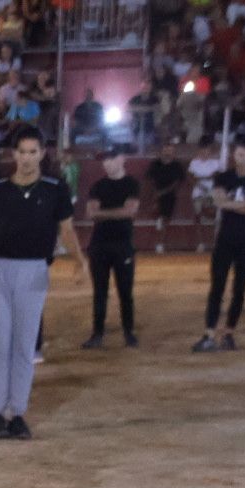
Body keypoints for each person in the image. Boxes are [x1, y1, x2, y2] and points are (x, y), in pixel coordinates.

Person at [0, 126, 87, 441]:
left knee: (24, 345)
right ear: (13, 154)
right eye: (22, 152)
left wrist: (80, 259)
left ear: (42, 154)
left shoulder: (55, 189)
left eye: (33, 152)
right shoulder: (0, 189)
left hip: (34, 270)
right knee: (1, 344)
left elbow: (67, 231)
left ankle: (18, 412)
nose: (27, 158)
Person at [192, 134, 245, 353]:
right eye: (239, 154)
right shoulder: (224, 177)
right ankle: (209, 334)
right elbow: (220, 202)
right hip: (227, 239)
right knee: (217, 287)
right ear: (234, 155)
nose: (243, 158)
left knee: (239, 289)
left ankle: (227, 333)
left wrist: (232, 204)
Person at [83, 148, 141, 349]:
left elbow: (130, 211)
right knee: (101, 291)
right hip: (102, 245)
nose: (106, 163)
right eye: (104, 160)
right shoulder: (99, 185)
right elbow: (92, 213)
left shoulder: (130, 184)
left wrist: (103, 212)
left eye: (110, 159)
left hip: (120, 244)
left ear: (121, 159)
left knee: (124, 291)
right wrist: (119, 212)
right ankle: (98, 333)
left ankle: (128, 331)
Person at [145, 141, 186, 254]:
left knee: (165, 219)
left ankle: (160, 243)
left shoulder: (177, 165)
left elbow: (177, 183)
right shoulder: (155, 164)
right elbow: (150, 180)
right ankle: (158, 242)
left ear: (173, 152)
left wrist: (162, 192)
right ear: (162, 151)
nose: (168, 152)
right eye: (166, 150)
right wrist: (155, 192)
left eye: (170, 150)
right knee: (157, 217)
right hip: (154, 194)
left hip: (169, 195)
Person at [186, 138, 221, 252]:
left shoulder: (216, 162)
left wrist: (200, 178)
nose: (205, 153)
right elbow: (190, 177)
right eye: (203, 151)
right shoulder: (194, 162)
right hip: (198, 192)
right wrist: (203, 179)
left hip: (211, 192)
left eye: (207, 151)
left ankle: (216, 240)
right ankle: (200, 243)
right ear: (199, 151)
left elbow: (217, 176)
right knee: (198, 216)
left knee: (214, 214)